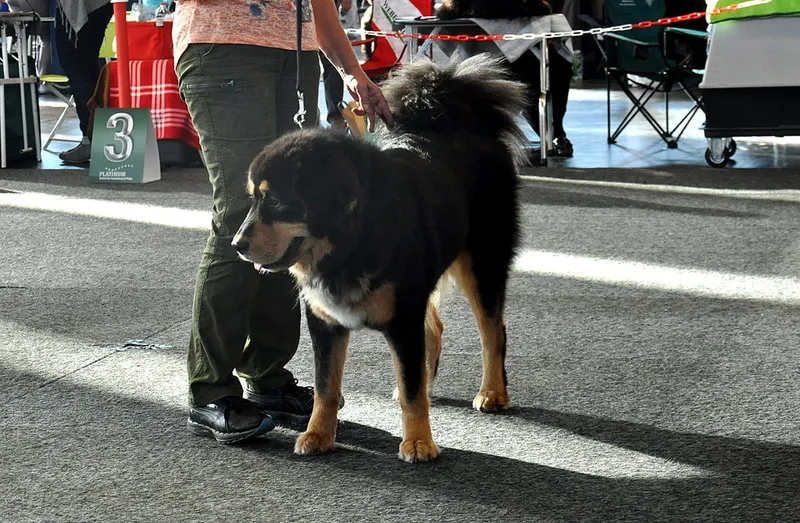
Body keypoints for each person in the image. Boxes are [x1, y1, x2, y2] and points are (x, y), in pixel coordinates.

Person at [174, 0, 393, 444]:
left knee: (293, 215)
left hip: (296, 56)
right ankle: (210, 390)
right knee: (241, 214)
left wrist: (353, 73)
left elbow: (319, 7)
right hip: (223, 49)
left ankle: (267, 375)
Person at [53, 0, 114, 165]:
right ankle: (100, 137)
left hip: (79, 6)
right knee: (88, 67)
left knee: (77, 69)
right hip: (102, 5)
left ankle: (90, 140)